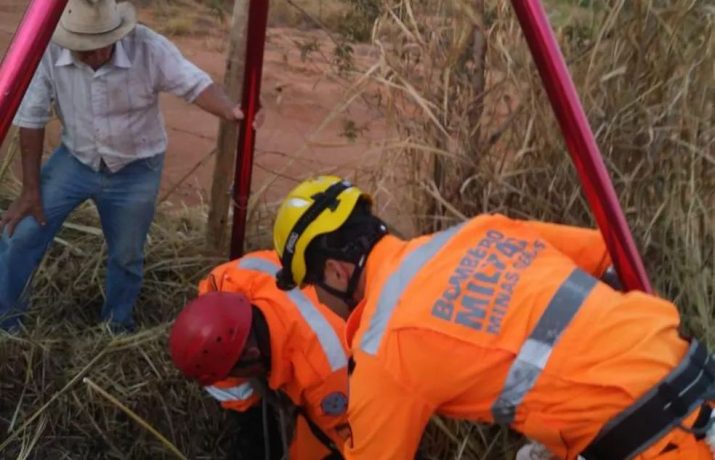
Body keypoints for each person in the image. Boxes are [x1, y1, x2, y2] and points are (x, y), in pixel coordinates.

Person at [271, 175, 715, 460]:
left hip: (659, 445)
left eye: (310, 286)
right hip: (699, 380)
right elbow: (609, 257)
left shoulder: (384, 347)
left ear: (335, 271)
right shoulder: (479, 231)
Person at [0, 0, 246, 332]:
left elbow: (195, 85)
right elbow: (32, 120)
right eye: (83, 49)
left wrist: (232, 112)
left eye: (102, 45)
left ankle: (115, 326)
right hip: (75, 161)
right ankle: (7, 323)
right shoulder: (48, 51)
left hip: (136, 169)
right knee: (22, 233)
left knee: (127, 256)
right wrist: (30, 190)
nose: (95, 55)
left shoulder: (148, 47)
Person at [169, 250, 349, 459]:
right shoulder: (221, 285)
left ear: (252, 353)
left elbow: (353, 444)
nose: (230, 379)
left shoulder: (325, 373)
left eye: (233, 373)